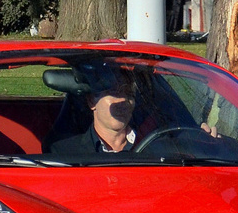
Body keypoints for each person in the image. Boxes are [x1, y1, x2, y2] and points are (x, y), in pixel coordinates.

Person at [49, 64, 219, 155]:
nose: (123, 100)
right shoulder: (64, 152)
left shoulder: (164, 146)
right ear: (91, 102)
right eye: (114, 93)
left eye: (128, 94)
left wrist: (204, 144)